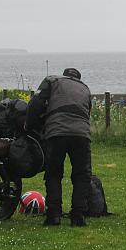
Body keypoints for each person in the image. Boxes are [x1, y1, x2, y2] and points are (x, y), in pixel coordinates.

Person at [26, 68, 92, 227]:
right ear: (78, 78)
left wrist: (31, 125)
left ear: (65, 75)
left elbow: (36, 103)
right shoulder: (85, 88)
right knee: (82, 175)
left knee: (54, 173)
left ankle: (54, 215)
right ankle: (78, 216)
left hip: (56, 133)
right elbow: (87, 112)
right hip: (82, 135)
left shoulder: (52, 80)